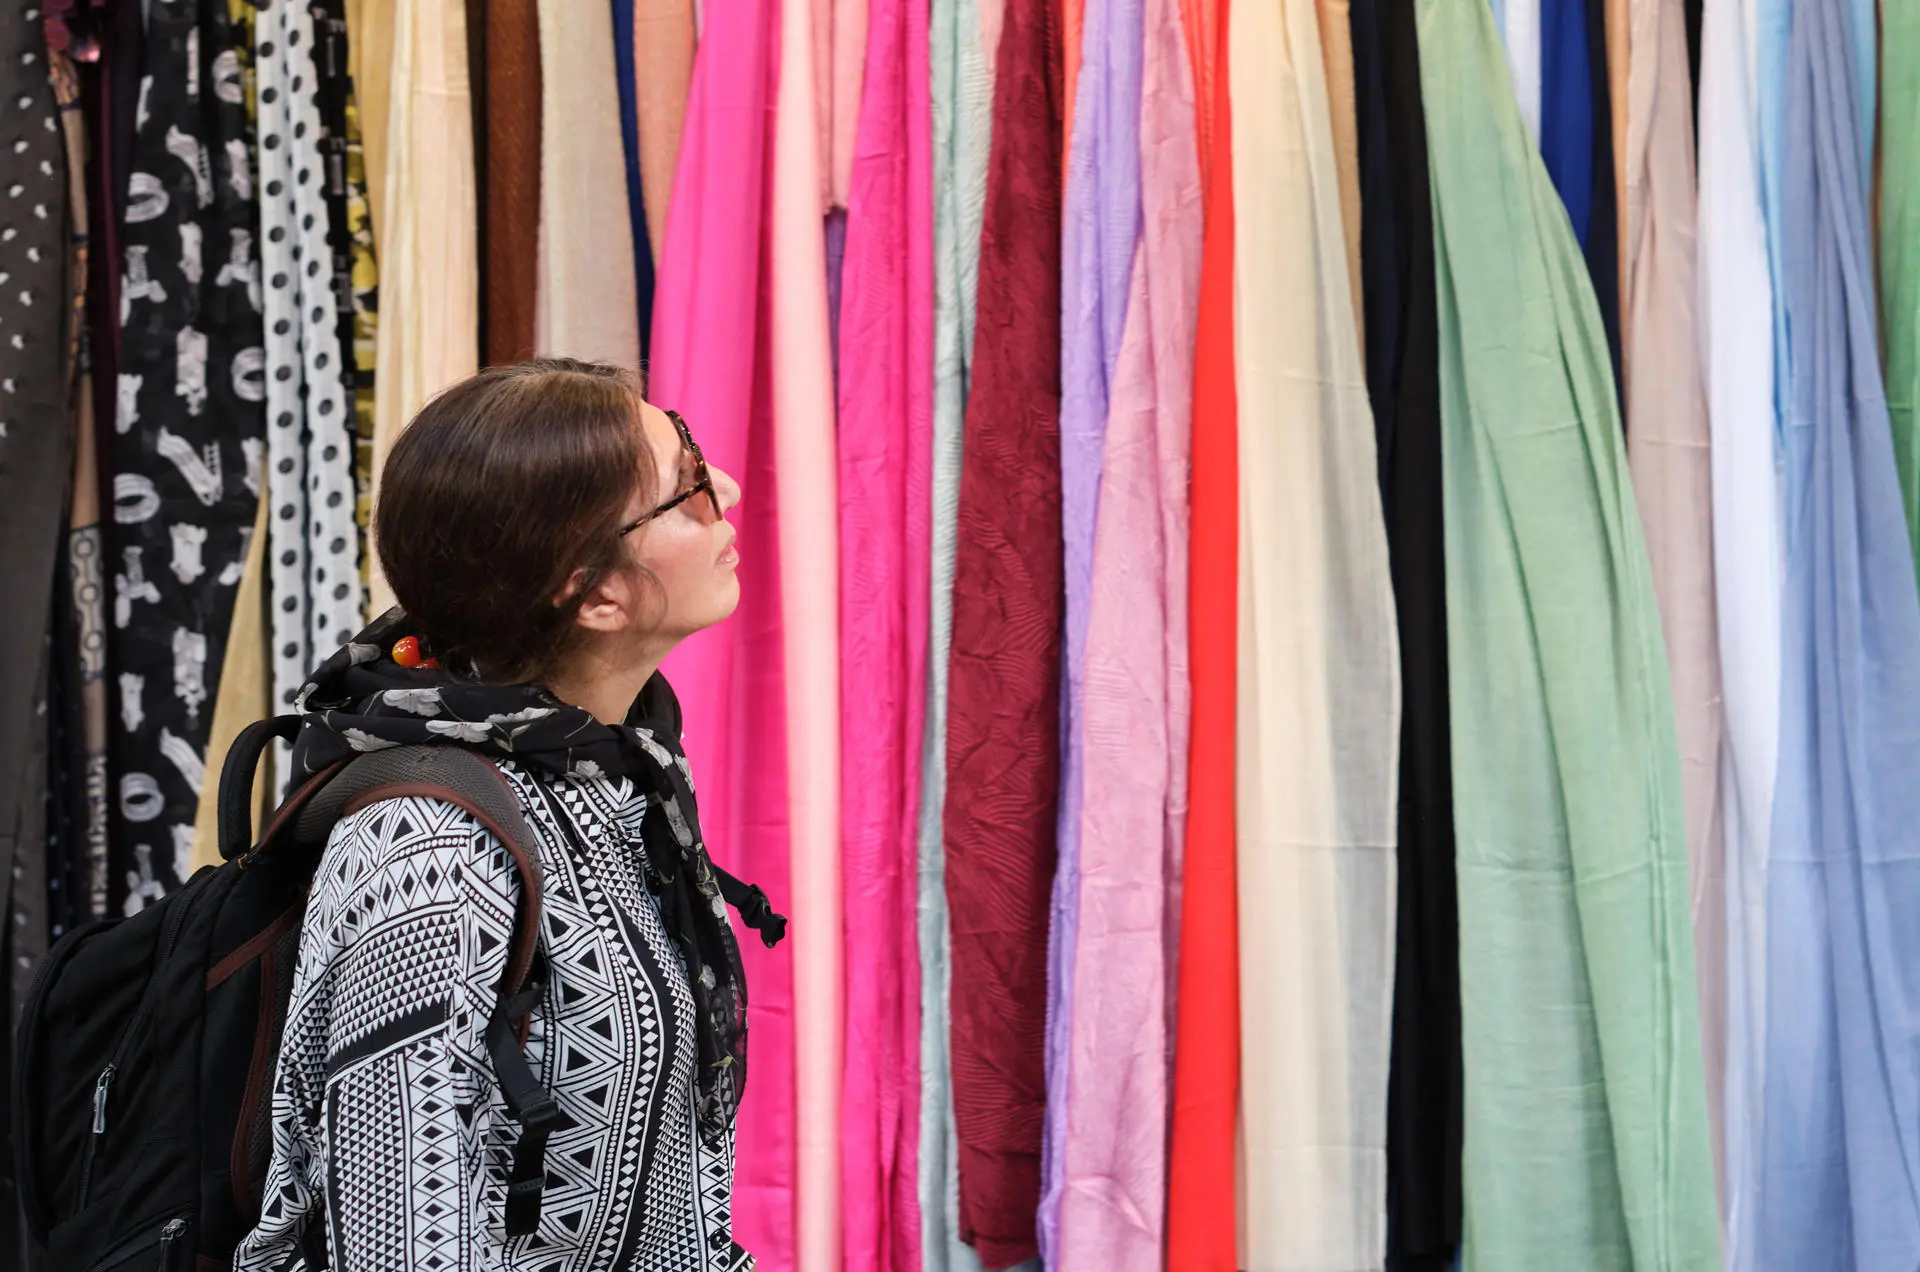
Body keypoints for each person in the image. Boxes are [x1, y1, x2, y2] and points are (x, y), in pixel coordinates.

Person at [236, 359, 768, 1271]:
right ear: (594, 593)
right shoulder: (428, 852)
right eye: (684, 489)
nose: (724, 488)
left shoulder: (613, 770)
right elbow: (400, 1244)